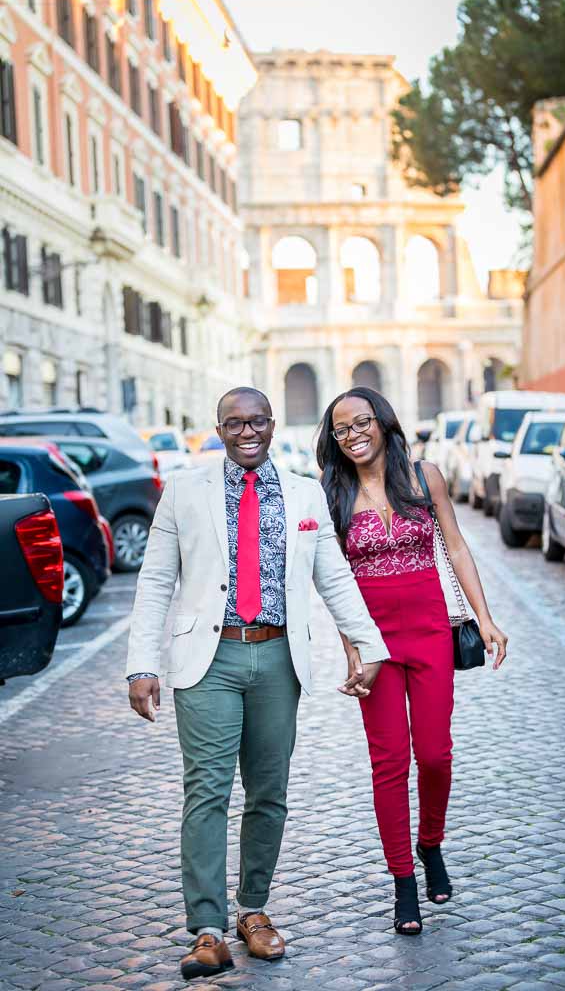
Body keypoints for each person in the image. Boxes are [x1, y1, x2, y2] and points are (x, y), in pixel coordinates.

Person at [126, 387, 390, 979]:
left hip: (278, 660)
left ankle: (254, 911)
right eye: (234, 423)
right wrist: (142, 664)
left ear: (273, 426)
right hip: (208, 659)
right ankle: (208, 930)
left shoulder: (304, 493)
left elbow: (336, 577)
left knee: (269, 793)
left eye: (257, 422)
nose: (247, 432)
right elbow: (154, 582)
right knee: (207, 792)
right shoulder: (184, 491)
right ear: (219, 429)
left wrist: (370, 645)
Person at [316, 386, 508, 935]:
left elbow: (457, 546)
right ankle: (403, 881)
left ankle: (431, 843)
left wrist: (485, 617)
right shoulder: (333, 492)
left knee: (435, 753)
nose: (353, 435)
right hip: (375, 642)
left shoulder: (425, 477)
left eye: (361, 423)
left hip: (429, 635)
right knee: (389, 764)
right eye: (341, 430)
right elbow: (335, 581)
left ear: (383, 422)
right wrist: (353, 651)